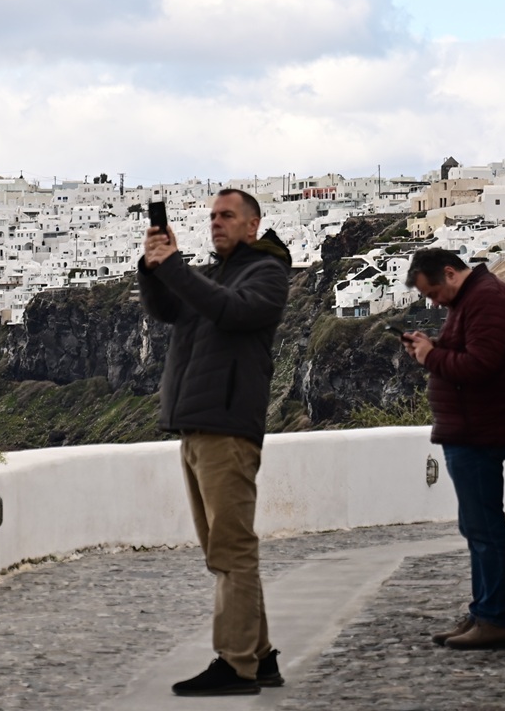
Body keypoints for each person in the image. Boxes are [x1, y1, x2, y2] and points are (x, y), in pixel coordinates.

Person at [138, 188, 291, 697]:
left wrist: (177, 266)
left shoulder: (265, 273)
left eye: (227, 216)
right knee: (223, 551)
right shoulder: (215, 275)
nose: (216, 224)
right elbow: (170, 310)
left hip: (227, 430)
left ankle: (235, 663)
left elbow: (232, 312)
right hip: (198, 427)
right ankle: (260, 657)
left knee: (232, 552)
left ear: (253, 225)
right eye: (212, 217)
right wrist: (153, 264)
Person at [401, 248, 505, 650]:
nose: (434, 302)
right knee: (476, 527)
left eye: (434, 292)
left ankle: (493, 618)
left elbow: (480, 366)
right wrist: (433, 347)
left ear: (450, 273)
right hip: (470, 430)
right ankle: (482, 611)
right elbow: (469, 353)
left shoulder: (486, 298)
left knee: (485, 527)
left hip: (478, 432)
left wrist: (431, 355)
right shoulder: (473, 299)